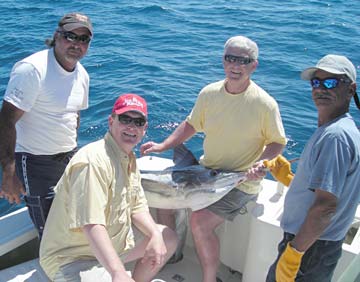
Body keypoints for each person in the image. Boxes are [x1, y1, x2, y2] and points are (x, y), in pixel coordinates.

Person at [141, 35, 287, 282]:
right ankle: (171, 254)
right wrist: (162, 145)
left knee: (199, 222)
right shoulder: (209, 94)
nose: (236, 66)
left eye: (243, 60)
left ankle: (209, 279)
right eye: (231, 58)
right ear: (223, 61)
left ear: (254, 65)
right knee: (162, 199)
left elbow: (277, 142)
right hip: (206, 173)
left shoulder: (265, 104)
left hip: (239, 181)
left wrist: (260, 163)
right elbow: (190, 125)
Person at [39, 93, 178, 282]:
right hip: (74, 258)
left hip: (115, 245)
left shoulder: (128, 158)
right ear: (111, 121)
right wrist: (117, 273)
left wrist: (155, 234)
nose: (131, 126)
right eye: (125, 119)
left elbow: (137, 206)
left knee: (167, 237)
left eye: (138, 122)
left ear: (144, 129)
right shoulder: (93, 161)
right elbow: (92, 224)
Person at [265, 54, 360, 282]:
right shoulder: (341, 129)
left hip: (310, 247)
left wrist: (295, 253)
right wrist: (290, 179)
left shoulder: (335, 136)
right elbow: (336, 189)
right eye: (316, 82)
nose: (321, 89)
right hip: (317, 244)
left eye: (330, 82)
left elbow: (326, 206)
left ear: (350, 90)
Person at [0, 12, 93, 238]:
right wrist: (8, 174)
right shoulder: (32, 69)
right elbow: (6, 121)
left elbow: (74, 116)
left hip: (68, 158)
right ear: (56, 35)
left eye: (83, 39)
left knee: (74, 219)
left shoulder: (82, 74)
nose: (76, 44)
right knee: (51, 232)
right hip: (34, 162)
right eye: (70, 36)